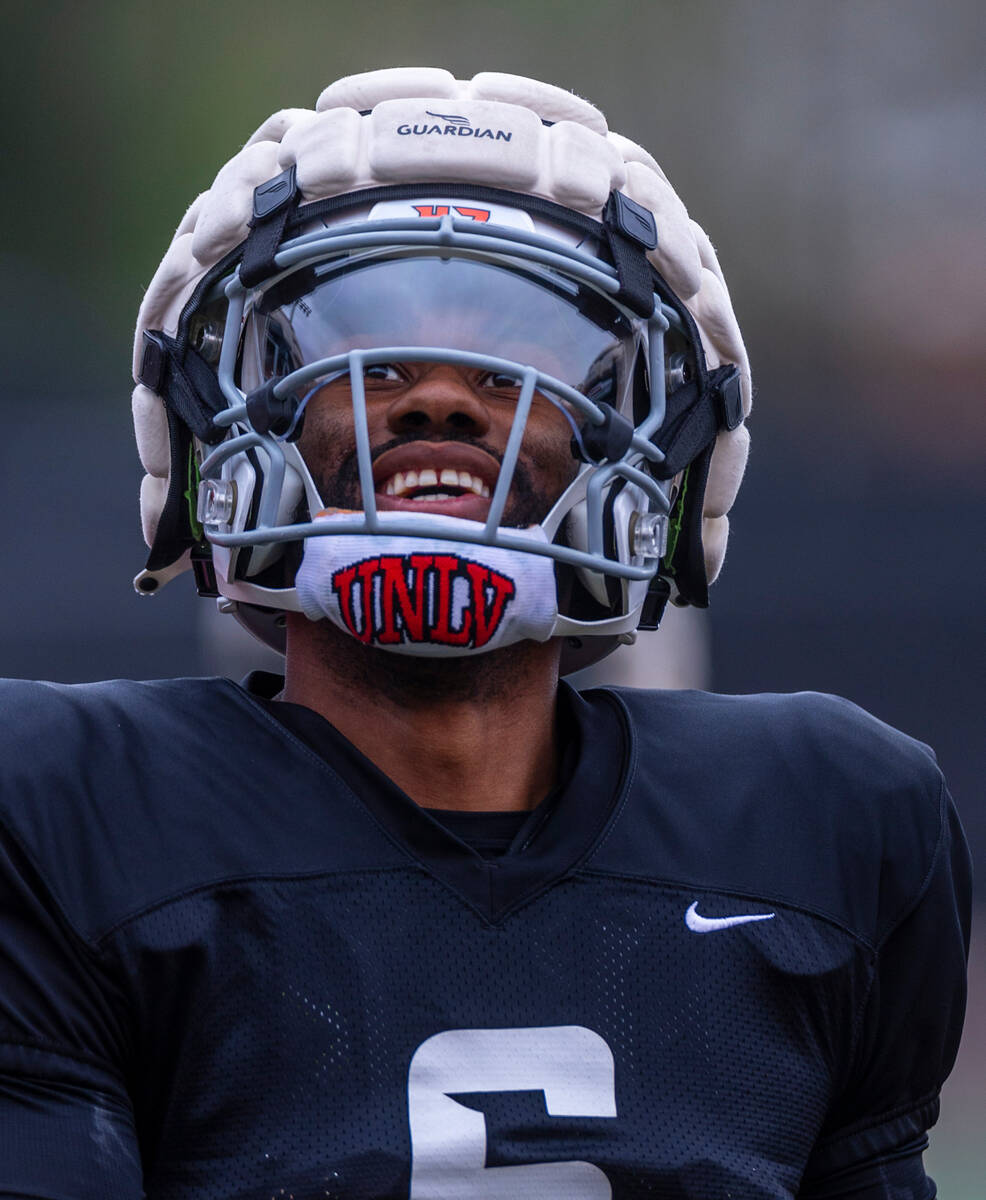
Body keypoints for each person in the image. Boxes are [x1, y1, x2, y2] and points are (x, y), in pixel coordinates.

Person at [0, 67, 970, 1199]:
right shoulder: (62, 812)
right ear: (227, 424)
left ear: (655, 450)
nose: (442, 397)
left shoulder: (835, 819)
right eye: (358, 336)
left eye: (527, 351)